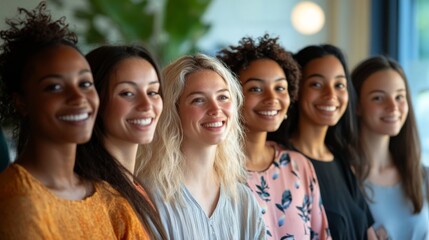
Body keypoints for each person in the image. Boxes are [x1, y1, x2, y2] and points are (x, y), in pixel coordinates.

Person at [0, 2, 146, 239]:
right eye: (54, 87)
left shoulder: (110, 199)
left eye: (85, 83)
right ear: (21, 102)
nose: (78, 97)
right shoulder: (17, 201)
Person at [137, 53, 266, 239]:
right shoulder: (148, 197)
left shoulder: (243, 199)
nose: (215, 109)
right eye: (198, 100)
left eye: (223, 97)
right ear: (173, 111)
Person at [217, 34, 330, 239]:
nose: (272, 98)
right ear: (230, 96)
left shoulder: (299, 166)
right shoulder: (214, 172)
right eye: (256, 89)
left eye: (280, 88)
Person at [269, 44, 376, 240]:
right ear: (297, 90)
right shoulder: (280, 164)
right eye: (316, 84)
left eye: (339, 85)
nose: (331, 94)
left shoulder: (343, 160)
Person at [75, 45, 167, 239]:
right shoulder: (94, 196)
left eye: (153, 92)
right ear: (94, 100)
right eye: (127, 93)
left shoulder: (134, 187)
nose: (146, 104)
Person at [351, 55, 429, 240]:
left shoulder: (422, 177)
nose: (393, 107)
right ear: (357, 106)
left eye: (399, 97)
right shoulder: (344, 179)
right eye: (378, 98)